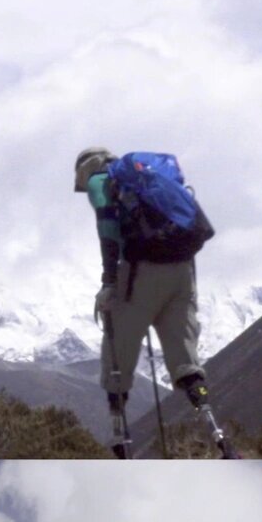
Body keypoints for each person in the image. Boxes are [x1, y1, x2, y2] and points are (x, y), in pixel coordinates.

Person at [74, 146, 234, 458]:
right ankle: (218, 435)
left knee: (118, 356)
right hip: (184, 271)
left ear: (86, 168)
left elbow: (108, 229)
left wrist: (109, 282)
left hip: (141, 274)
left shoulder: (100, 180)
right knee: (185, 359)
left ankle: (121, 442)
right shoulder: (150, 180)